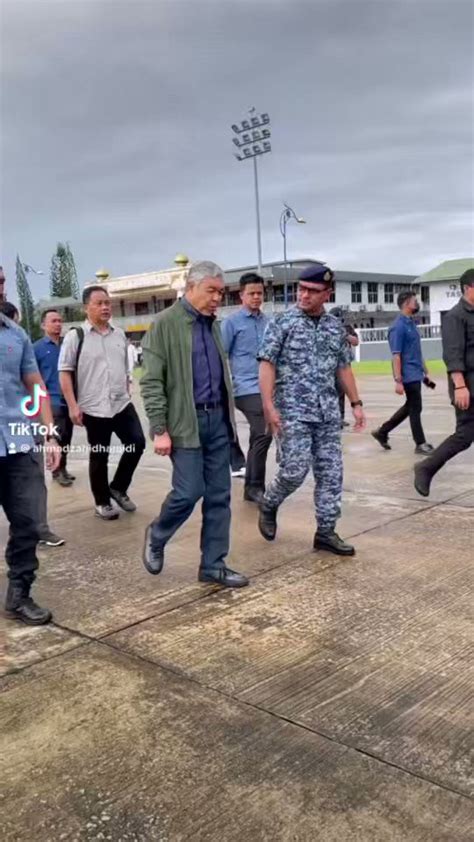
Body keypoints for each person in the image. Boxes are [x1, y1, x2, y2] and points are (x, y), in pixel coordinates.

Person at [140, 260, 248, 588]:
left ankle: (213, 565)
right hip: (185, 422)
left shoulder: (212, 324)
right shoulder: (165, 324)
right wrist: (160, 429)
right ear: (191, 288)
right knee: (189, 492)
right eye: (210, 291)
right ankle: (157, 534)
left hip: (217, 421)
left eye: (220, 291)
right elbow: (151, 382)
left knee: (219, 496)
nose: (217, 298)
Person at [257, 265, 366, 555]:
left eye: (312, 291)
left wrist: (356, 403)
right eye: (301, 288)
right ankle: (269, 502)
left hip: (328, 412)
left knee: (331, 473)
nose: (303, 295)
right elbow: (266, 363)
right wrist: (268, 406)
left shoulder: (334, 327)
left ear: (327, 294)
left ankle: (326, 532)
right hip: (292, 411)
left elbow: (343, 368)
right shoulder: (282, 323)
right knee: (294, 471)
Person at [58, 286, 145, 520]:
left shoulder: (118, 333)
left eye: (108, 302)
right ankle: (102, 502)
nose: (105, 307)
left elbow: (123, 366)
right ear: (86, 307)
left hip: (121, 403)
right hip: (93, 405)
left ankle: (117, 487)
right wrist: (73, 406)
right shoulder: (76, 336)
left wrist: (127, 384)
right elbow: (65, 373)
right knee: (100, 454)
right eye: (99, 303)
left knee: (136, 443)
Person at [0, 309, 61, 624]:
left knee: (28, 523)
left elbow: (36, 385)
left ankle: (20, 595)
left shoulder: (15, 333)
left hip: (19, 443)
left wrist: (50, 434)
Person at [414, 268, 474, 496]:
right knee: (464, 436)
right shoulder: (455, 316)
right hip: (468, 388)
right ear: (468, 288)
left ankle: (426, 468)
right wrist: (460, 386)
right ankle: (426, 468)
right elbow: (452, 354)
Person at [221, 272, 272, 503]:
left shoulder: (268, 321)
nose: (256, 297)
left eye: (259, 293)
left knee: (256, 436)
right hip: (244, 388)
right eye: (251, 293)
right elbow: (221, 355)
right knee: (264, 431)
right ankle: (254, 486)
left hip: (267, 387)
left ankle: (251, 487)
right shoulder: (231, 323)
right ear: (241, 295)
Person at [371, 291, 434, 454]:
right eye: (415, 300)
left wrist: (425, 370)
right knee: (415, 407)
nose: (417, 303)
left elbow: (416, 350)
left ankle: (382, 432)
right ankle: (420, 443)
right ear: (406, 303)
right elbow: (396, 355)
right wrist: (398, 380)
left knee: (410, 407)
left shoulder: (411, 323)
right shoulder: (397, 327)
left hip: (416, 372)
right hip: (407, 375)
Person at [34, 309, 75, 487]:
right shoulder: (37, 348)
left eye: (60, 321)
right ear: (43, 325)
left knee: (66, 437)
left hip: (68, 400)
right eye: (53, 321)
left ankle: (63, 467)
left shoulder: (67, 345)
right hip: (50, 402)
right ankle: (56, 471)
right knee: (54, 438)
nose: (58, 324)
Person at [330, 307, 360, 427]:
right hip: (330, 365)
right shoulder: (327, 328)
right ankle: (333, 418)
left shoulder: (346, 328)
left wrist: (345, 335)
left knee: (342, 391)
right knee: (332, 392)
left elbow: (356, 341)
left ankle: (340, 418)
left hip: (343, 364)